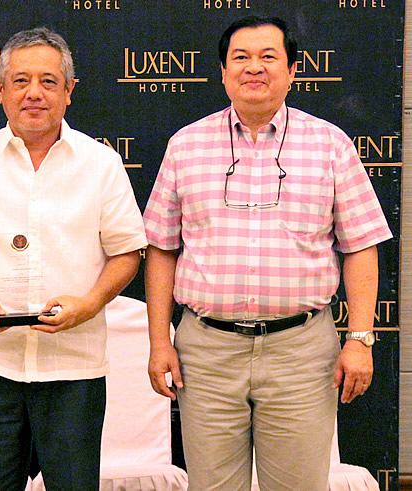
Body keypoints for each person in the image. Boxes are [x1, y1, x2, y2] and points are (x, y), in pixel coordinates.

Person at [143, 15, 392, 491]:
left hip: (301, 352)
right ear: (222, 72)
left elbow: (361, 245)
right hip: (207, 352)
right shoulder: (185, 145)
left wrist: (360, 338)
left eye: (268, 57)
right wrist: (159, 341)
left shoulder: (330, 144)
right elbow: (160, 249)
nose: (253, 68)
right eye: (240, 57)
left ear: (293, 70)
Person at [0, 27, 147, 490]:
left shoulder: (100, 163)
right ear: (1, 91)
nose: (34, 94)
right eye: (21, 81)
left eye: (48, 82)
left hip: (75, 372)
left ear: (69, 91)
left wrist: (89, 305)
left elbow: (128, 252)